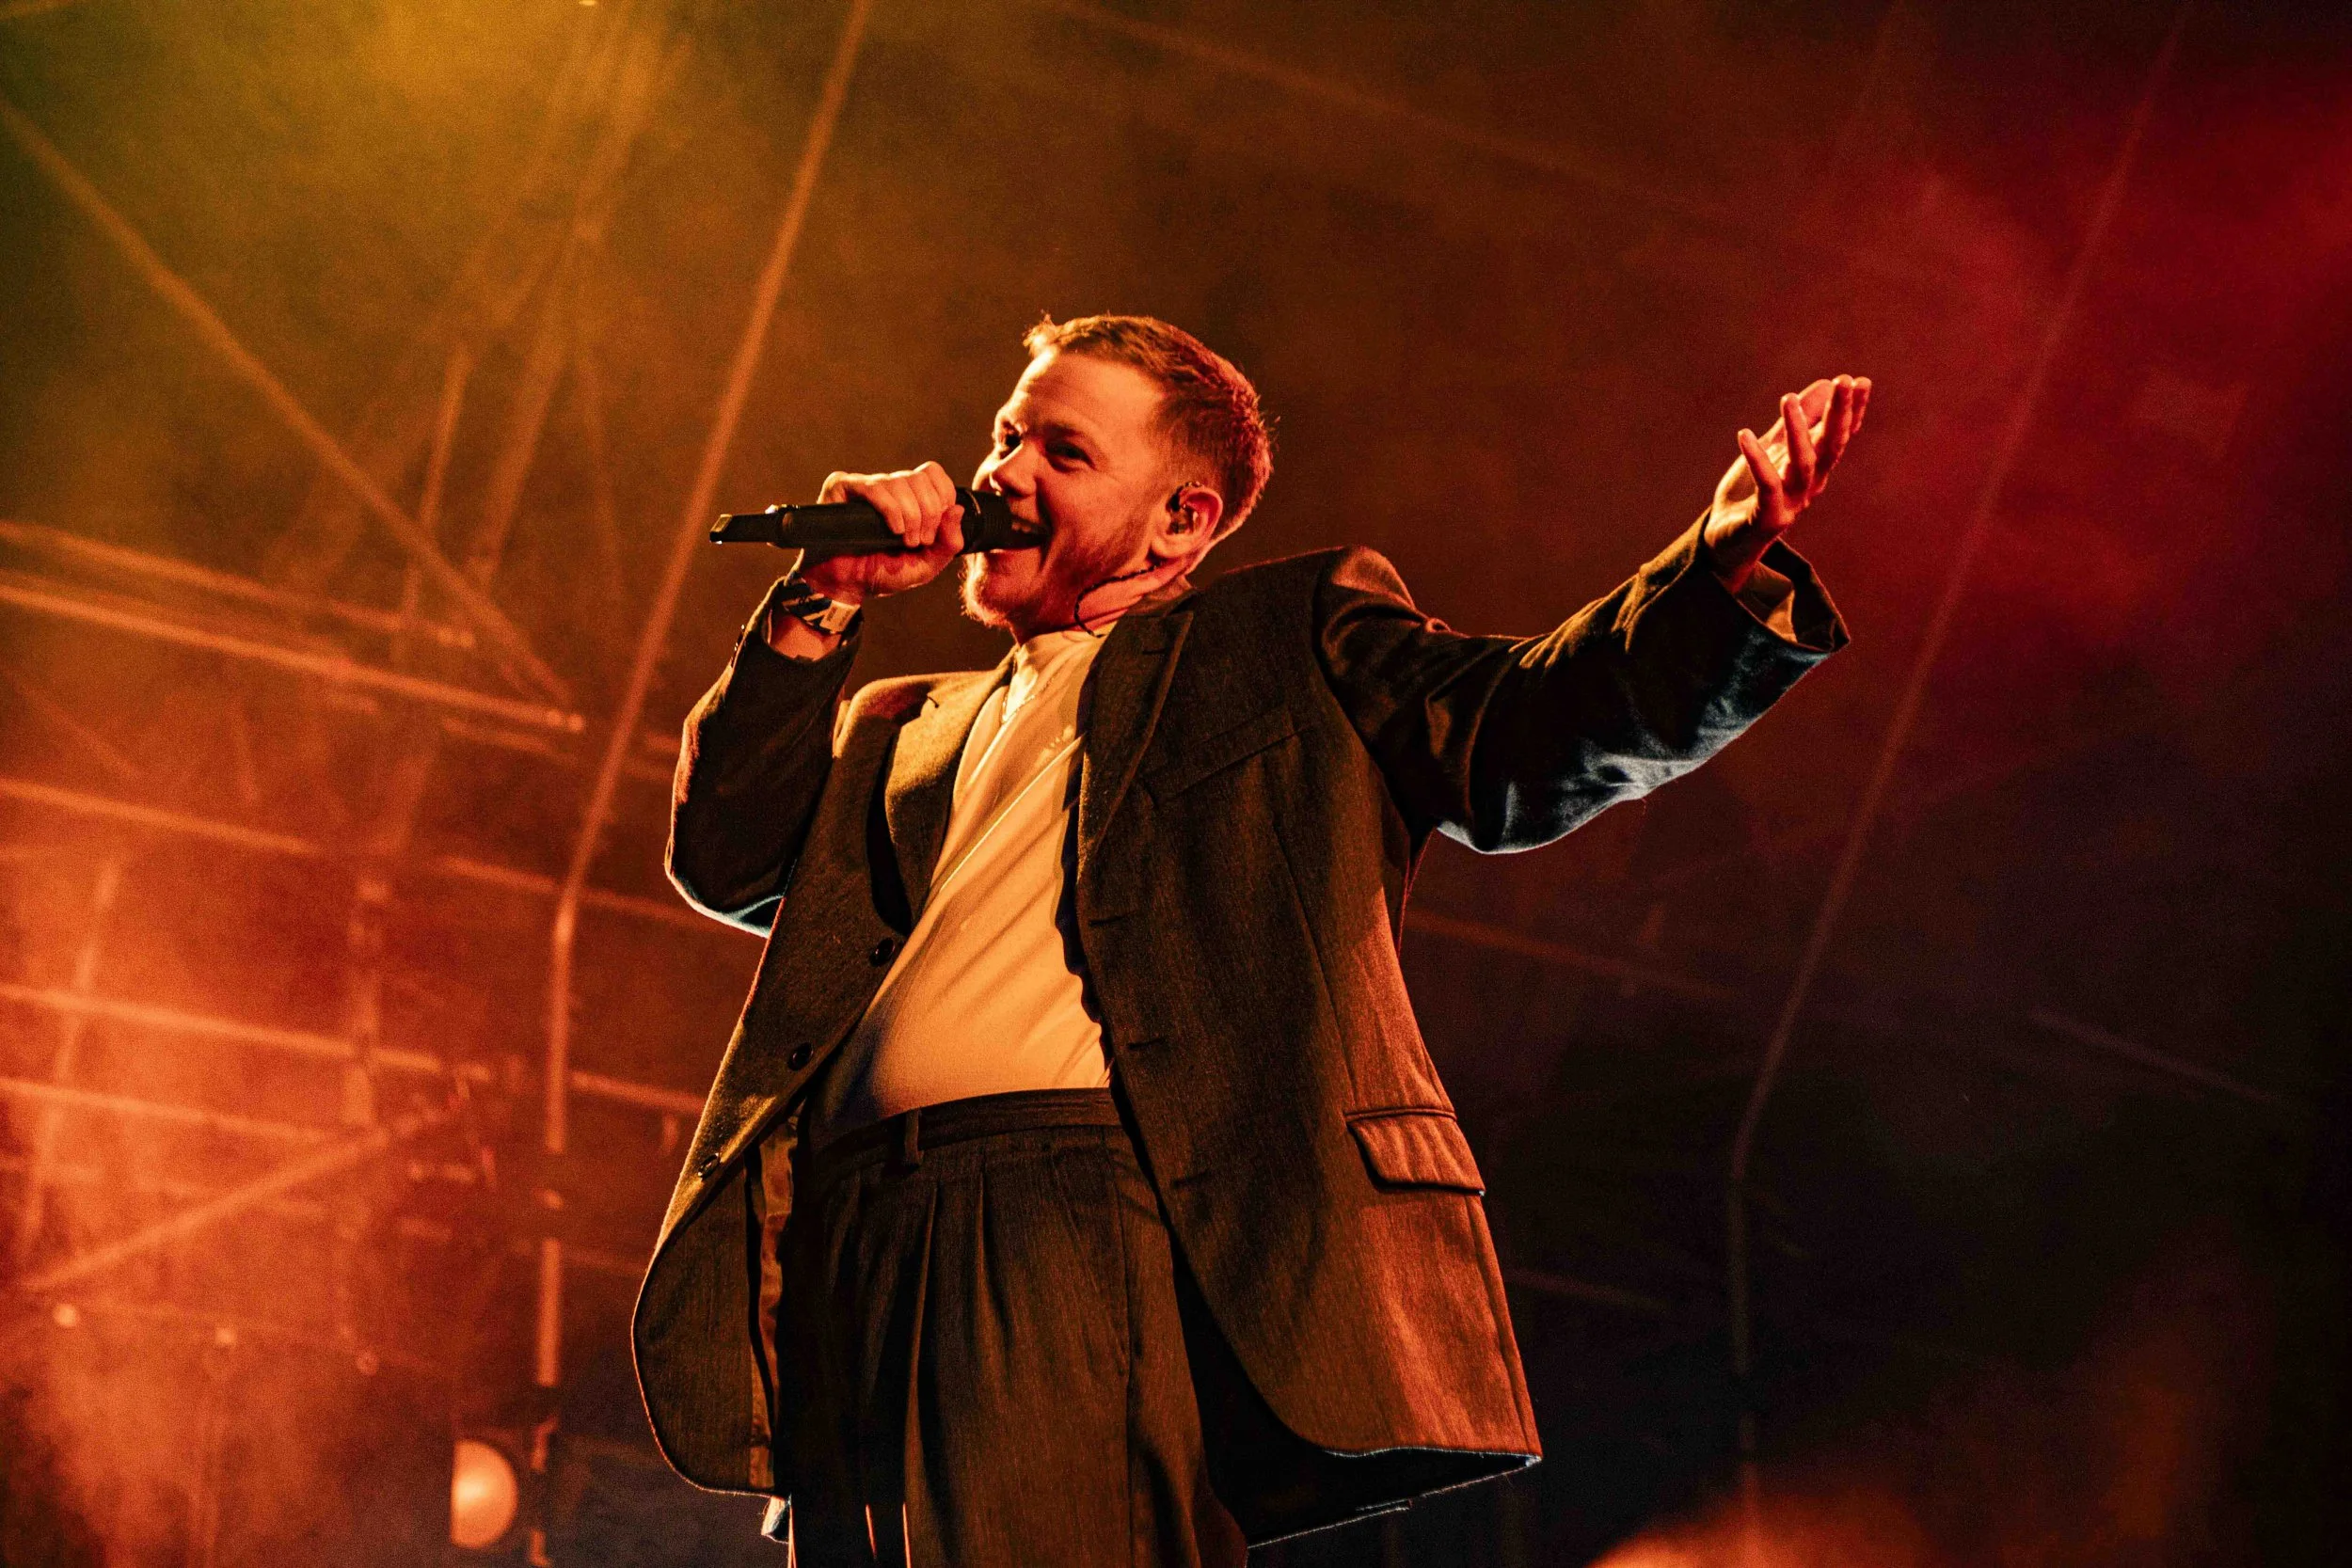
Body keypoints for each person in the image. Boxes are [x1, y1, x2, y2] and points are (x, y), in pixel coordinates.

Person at [633, 314, 1867, 1566]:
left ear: (1182, 521)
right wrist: (821, 601)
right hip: (854, 1237)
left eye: (1064, 453)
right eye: (1006, 437)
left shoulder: (1278, 641)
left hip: (1063, 1213)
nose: (1001, 474)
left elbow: (1523, 730)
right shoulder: (901, 723)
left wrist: (1715, 569)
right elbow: (730, 858)